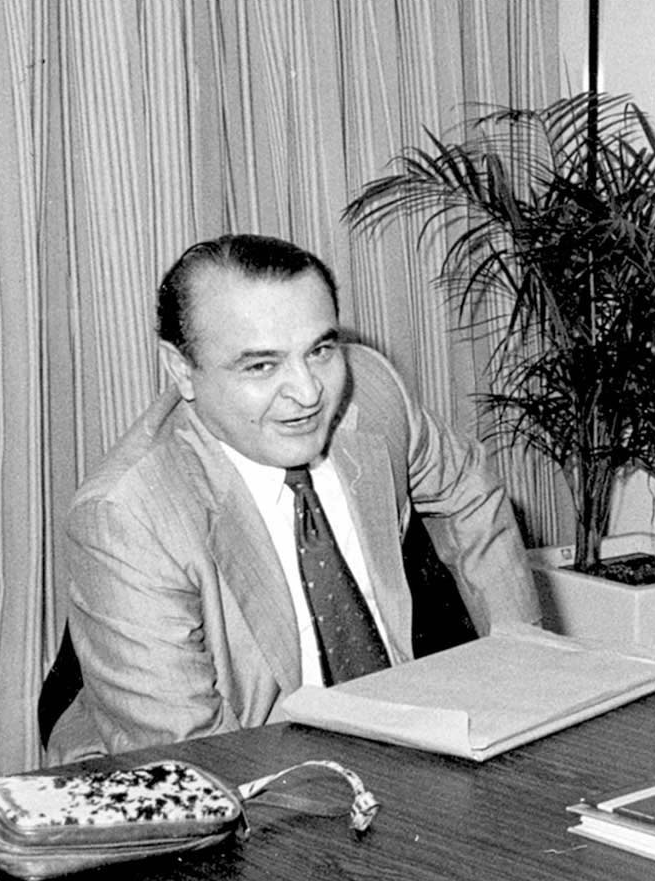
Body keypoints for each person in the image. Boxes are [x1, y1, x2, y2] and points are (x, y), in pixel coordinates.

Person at [49, 233, 542, 759]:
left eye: (320, 351)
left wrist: (522, 673)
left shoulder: (374, 392)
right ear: (181, 370)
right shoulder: (127, 516)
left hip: (398, 733)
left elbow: (469, 492)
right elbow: (194, 759)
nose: (308, 393)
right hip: (236, 763)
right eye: (261, 366)